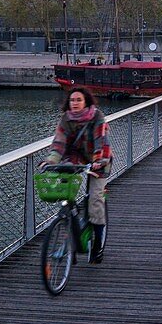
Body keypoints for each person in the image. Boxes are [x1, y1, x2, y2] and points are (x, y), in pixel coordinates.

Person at [39, 88, 112, 263]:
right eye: (72, 100)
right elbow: (58, 143)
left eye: (79, 100)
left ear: (86, 101)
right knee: (66, 194)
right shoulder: (66, 118)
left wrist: (98, 160)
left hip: (98, 161)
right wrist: (50, 160)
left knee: (95, 200)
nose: (75, 103)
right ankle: (71, 232)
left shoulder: (97, 116)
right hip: (75, 159)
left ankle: (98, 246)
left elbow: (101, 142)